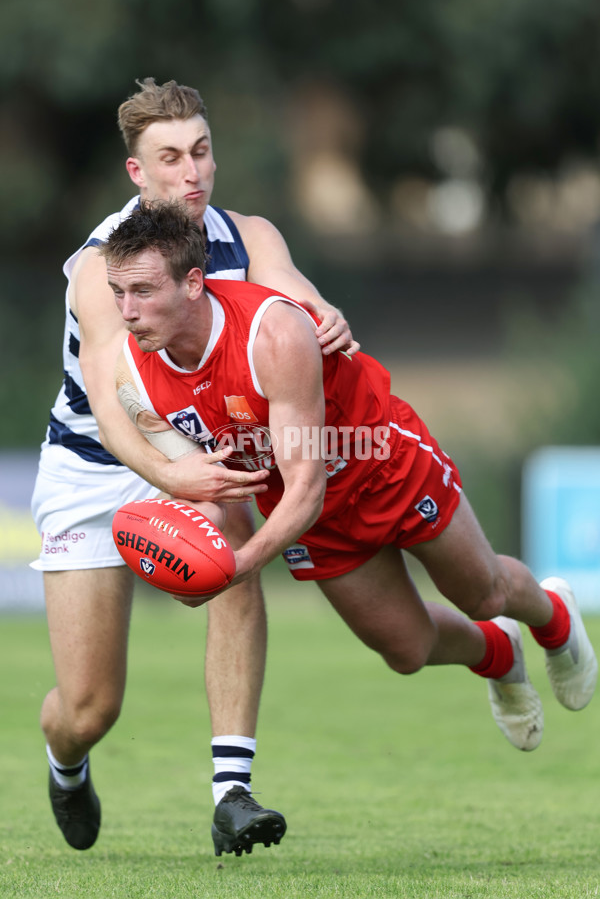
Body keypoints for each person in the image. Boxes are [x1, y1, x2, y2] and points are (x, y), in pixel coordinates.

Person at [103, 201, 597, 807]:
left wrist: (239, 563)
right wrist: (180, 492)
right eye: (117, 292)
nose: (127, 312)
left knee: (484, 593)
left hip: (381, 464)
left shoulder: (272, 333)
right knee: (407, 651)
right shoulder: (134, 369)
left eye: (143, 292)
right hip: (312, 515)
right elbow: (168, 450)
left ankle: (553, 618)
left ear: (193, 283)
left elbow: (306, 483)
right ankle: (498, 654)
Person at [31, 78, 358, 857]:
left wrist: (324, 315)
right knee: (89, 706)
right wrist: (173, 477)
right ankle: (65, 762)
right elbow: (116, 406)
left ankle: (231, 795)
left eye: (202, 151)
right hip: (94, 460)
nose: (193, 172)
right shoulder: (99, 267)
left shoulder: (246, 237)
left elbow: (292, 296)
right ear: (136, 174)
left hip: (190, 440)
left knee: (232, 537)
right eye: (170, 157)